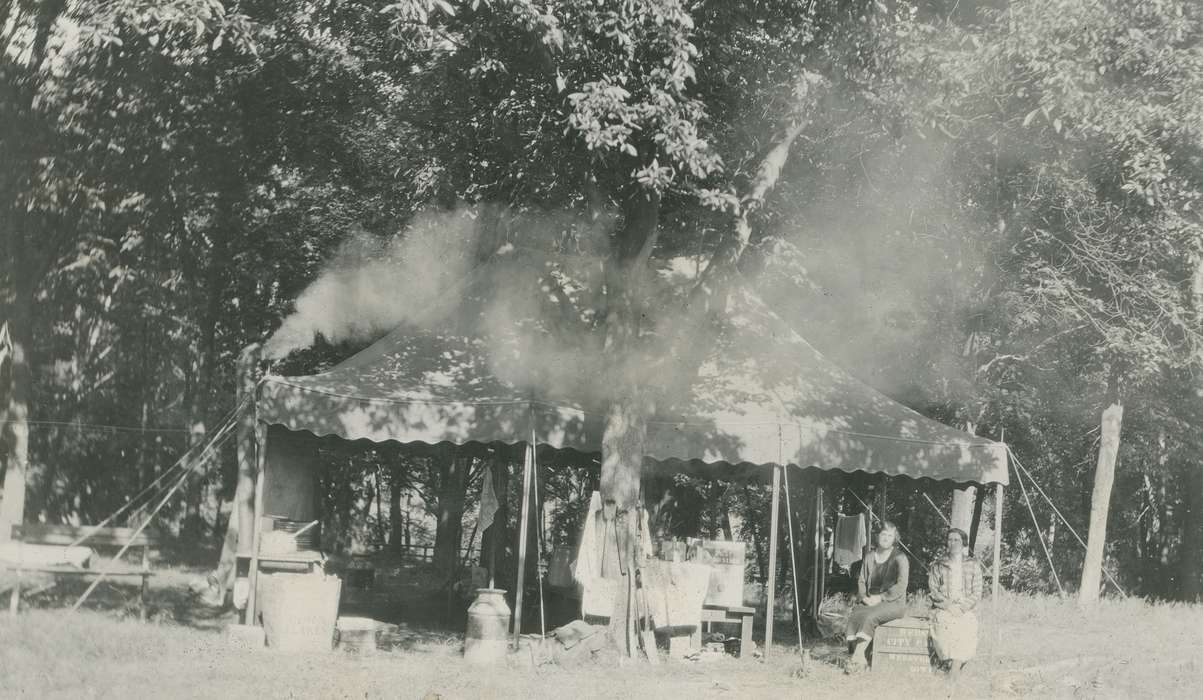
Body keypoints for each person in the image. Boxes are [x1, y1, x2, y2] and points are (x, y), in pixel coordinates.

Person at [845, 520, 909, 671]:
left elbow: (902, 585)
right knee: (856, 613)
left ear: (895, 538)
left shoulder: (900, 558)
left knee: (870, 617)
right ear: (878, 536)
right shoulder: (869, 556)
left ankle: (856, 658)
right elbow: (861, 580)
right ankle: (861, 658)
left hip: (893, 603)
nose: (886, 538)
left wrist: (880, 598)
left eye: (890, 535)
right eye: (883, 534)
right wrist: (864, 598)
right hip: (870, 600)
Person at [927, 527, 984, 678]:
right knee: (944, 624)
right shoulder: (938, 564)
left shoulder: (973, 564)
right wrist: (948, 606)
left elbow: (977, 592)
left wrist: (962, 608)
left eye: (957, 540)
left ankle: (954, 669)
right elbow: (933, 590)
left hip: (964, 608)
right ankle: (950, 665)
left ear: (964, 543)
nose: (953, 543)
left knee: (967, 624)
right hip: (944, 607)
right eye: (950, 540)